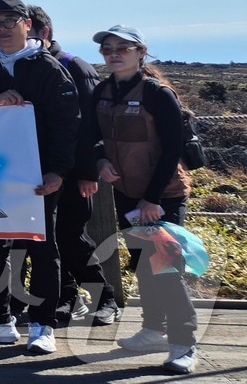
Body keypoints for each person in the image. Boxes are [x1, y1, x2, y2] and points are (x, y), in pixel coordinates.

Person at [0, 0, 80, 355]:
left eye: (10, 21)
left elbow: (67, 125)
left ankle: (43, 325)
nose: (2, 28)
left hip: (38, 177)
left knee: (43, 248)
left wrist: (58, 171)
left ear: (27, 24)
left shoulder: (49, 69)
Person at [91, 25, 198, 374]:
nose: (114, 54)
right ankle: (153, 329)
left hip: (164, 194)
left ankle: (184, 344)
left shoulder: (157, 93)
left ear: (141, 52)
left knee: (166, 269)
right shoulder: (103, 91)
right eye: (108, 49)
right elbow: (91, 136)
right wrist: (100, 161)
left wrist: (153, 199)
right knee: (142, 263)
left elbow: (172, 149)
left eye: (123, 47)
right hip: (127, 194)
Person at [29, 5, 121, 327]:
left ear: (45, 33)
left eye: (29, 33)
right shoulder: (25, 68)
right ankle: (64, 299)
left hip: (73, 173)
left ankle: (104, 297)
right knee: (48, 240)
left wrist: (87, 172)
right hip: (41, 170)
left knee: (71, 237)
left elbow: (89, 126)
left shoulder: (74, 66)